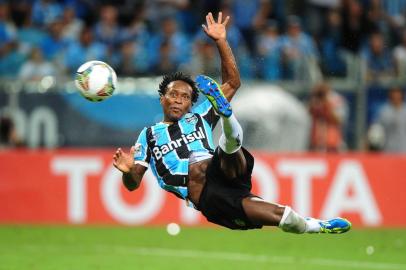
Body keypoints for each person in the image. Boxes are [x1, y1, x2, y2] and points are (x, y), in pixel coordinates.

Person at [113, 12, 351, 234]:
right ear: (162, 98)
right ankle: (318, 226)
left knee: (213, 157)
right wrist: (127, 172)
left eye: (185, 97)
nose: (178, 101)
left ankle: (227, 116)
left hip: (220, 168)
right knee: (286, 218)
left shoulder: (199, 117)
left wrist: (221, 42)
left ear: (190, 105)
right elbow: (133, 184)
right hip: (212, 198)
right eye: (173, 95)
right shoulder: (149, 135)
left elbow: (233, 82)